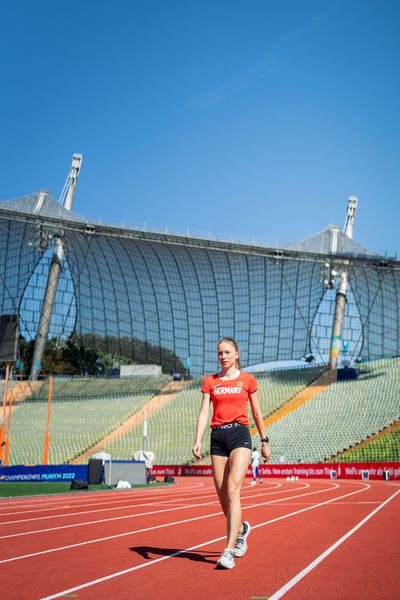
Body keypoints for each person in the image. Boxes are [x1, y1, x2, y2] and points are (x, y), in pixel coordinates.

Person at [192, 337, 271, 569]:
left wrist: (265, 441)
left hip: (240, 435)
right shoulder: (210, 381)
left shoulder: (248, 380)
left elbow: (256, 412)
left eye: (227, 352)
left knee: (233, 489)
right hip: (217, 438)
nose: (223, 356)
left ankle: (228, 551)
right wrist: (198, 439)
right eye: (219, 353)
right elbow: (204, 413)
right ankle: (241, 530)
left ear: (237, 354)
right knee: (222, 496)